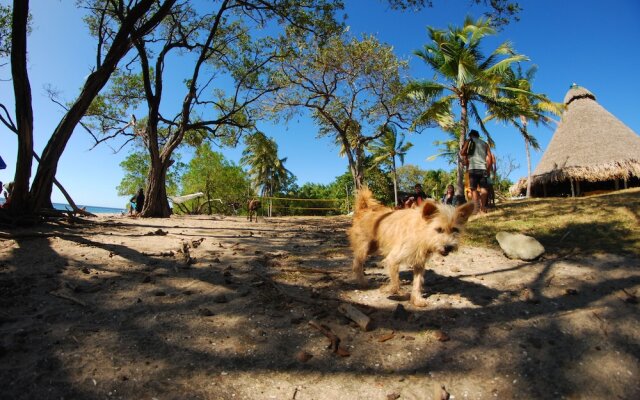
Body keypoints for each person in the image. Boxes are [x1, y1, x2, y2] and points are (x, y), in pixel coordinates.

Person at [460, 129, 493, 213]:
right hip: (483, 168)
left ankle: (476, 209)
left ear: (470, 135)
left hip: (472, 169)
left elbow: (462, 152)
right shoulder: (485, 144)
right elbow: (490, 158)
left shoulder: (469, 140)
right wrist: (488, 169)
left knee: (473, 189)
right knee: (484, 188)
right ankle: (483, 207)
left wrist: (466, 153)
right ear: (478, 135)